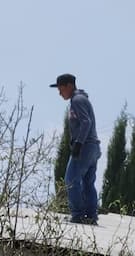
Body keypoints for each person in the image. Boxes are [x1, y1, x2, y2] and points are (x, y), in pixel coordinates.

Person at [51, 73, 101, 225]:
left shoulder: (77, 100)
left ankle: (78, 214)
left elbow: (86, 122)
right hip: (93, 147)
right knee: (87, 182)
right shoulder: (81, 99)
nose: (60, 93)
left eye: (61, 89)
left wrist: (78, 143)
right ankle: (91, 215)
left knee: (71, 180)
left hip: (85, 146)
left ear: (69, 86)